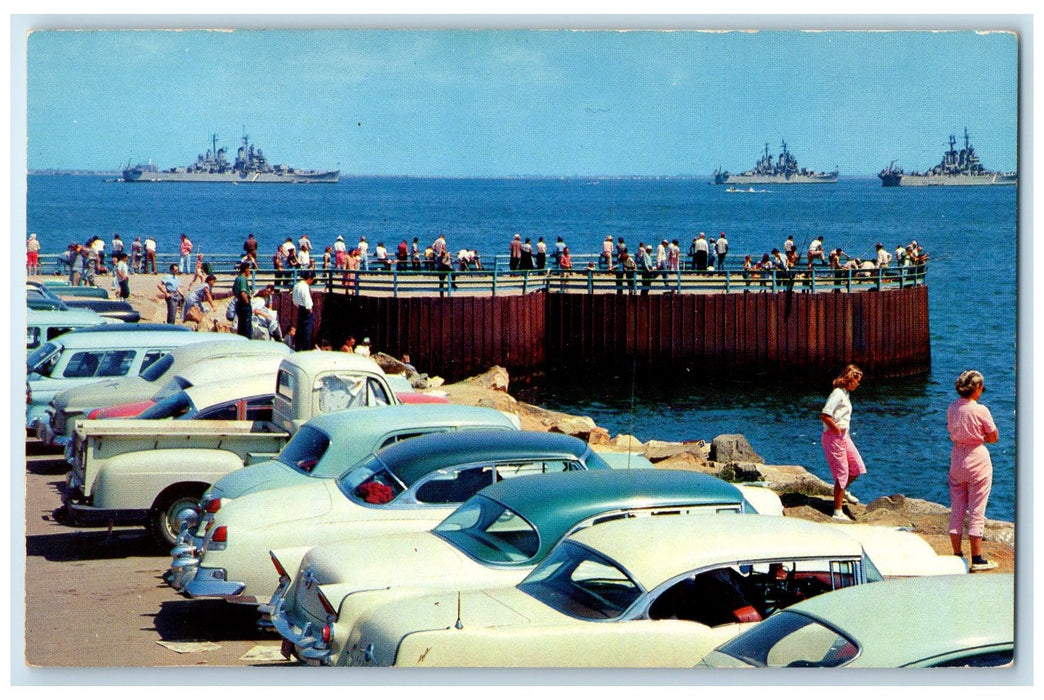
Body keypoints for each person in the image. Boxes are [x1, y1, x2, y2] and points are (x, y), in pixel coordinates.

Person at [947, 370, 999, 571]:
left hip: (957, 458)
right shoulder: (981, 410)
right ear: (976, 388)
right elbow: (993, 436)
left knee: (957, 508)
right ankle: (976, 558)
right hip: (976, 457)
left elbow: (951, 431)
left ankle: (957, 555)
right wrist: (979, 437)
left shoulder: (952, 408)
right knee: (977, 509)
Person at [820, 364, 866, 521]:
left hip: (844, 436)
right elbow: (825, 415)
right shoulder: (837, 394)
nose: (858, 384)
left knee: (857, 467)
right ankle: (837, 511)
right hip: (834, 436)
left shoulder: (846, 394)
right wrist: (837, 430)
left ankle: (842, 490)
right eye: (857, 380)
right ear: (850, 380)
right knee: (842, 473)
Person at [292, 269, 316, 351]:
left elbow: (294, 299)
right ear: (309, 278)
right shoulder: (305, 286)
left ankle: (298, 349)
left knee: (299, 331)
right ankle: (306, 350)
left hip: (300, 308)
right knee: (307, 332)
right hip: (306, 310)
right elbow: (307, 299)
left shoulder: (297, 285)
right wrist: (309, 309)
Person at [233, 261, 253, 338]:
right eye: (249, 269)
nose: (250, 271)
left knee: (241, 325)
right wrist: (247, 302)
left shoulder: (237, 278)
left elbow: (234, 291)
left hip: (239, 303)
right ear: (246, 269)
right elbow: (243, 293)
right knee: (247, 326)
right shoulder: (243, 279)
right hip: (244, 304)